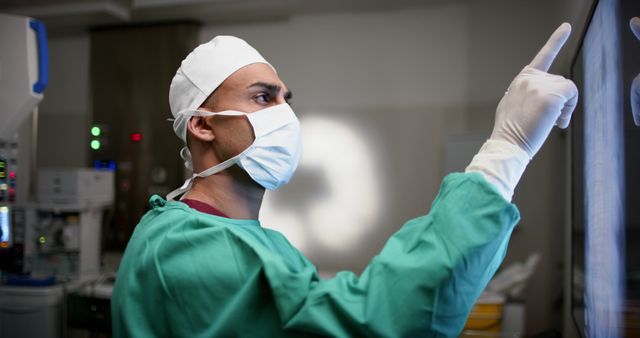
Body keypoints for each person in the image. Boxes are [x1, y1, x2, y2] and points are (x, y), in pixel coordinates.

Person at [111, 23, 578, 337]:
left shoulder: (221, 233)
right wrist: (506, 150)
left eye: (286, 99)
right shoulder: (186, 248)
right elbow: (373, 322)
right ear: (203, 125)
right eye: (262, 98)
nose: (285, 115)